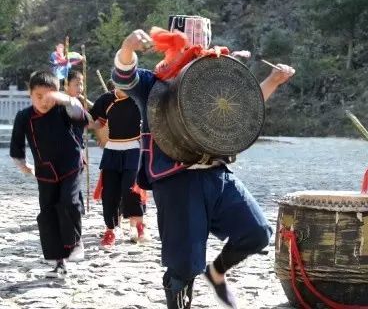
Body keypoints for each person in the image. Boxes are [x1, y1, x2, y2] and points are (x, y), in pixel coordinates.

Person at [111, 20, 295, 308]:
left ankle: (216, 272)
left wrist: (273, 80)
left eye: (200, 48)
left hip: (216, 174)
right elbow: (124, 77)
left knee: (256, 232)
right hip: (175, 180)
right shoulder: (153, 84)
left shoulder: (216, 78)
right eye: (185, 47)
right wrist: (127, 48)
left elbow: (243, 105)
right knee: (183, 265)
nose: (194, 52)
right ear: (171, 45)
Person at [9, 70, 87, 278]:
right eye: (39, 96)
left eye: (49, 96)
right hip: (45, 172)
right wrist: (22, 164)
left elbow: (81, 117)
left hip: (70, 166)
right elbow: (17, 144)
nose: (44, 102)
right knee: (48, 215)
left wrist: (67, 100)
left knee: (69, 203)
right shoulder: (24, 116)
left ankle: (75, 241)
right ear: (30, 94)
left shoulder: (64, 110)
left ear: (58, 93)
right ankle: (59, 262)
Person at [88, 86, 146, 246]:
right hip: (112, 150)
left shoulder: (139, 98)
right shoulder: (106, 99)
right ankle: (110, 230)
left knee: (131, 190)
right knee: (109, 193)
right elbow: (98, 122)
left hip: (133, 149)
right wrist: (82, 120)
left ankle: (140, 226)